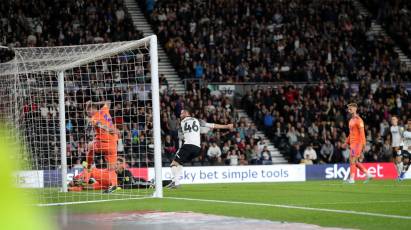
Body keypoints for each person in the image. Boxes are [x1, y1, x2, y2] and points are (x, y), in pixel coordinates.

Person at [166, 108, 233, 188]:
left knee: (173, 164)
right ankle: (174, 181)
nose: (180, 115)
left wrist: (185, 136)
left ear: (186, 113)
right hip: (197, 149)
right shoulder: (198, 120)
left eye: (181, 113)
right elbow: (212, 125)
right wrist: (226, 126)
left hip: (188, 146)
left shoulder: (181, 123)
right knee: (180, 163)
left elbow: (180, 137)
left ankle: (176, 183)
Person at [85, 100, 119, 171]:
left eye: (88, 111)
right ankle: (111, 178)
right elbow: (109, 102)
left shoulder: (94, 118)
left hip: (101, 144)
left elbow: (100, 125)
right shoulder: (104, 110)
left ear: (91, 110)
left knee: (90, 145)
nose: (87, 113)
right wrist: (94, 103)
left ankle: (87, 168)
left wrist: (109, 129)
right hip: (113, 144)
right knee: (112, 170)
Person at [343, 103, 373, 184]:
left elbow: (362, 133)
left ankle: (352, 179)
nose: (349, 110)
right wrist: (346, 142)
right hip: (352, 144)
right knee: (354, 161)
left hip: (357, 143)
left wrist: (364, 144)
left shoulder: (359, 120)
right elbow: (351, 133)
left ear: (355, 109)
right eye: (348, 108)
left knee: (353, 160)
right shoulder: (351, 120)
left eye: (350, 108)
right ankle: (368, 174)